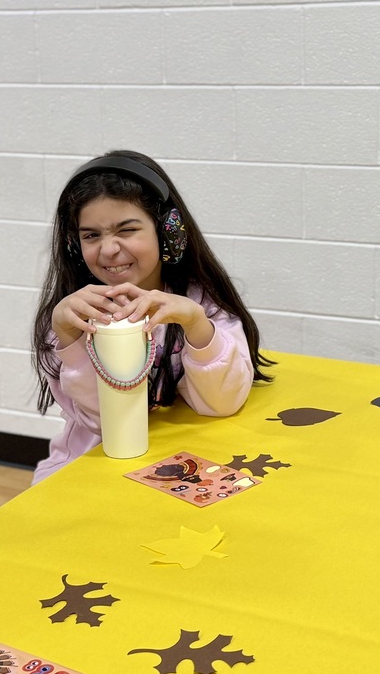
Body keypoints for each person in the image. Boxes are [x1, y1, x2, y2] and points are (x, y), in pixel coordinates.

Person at [32, 150, 273, 484]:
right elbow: (102, 424)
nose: (109, 250)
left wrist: (196, 325)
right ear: (75, 245)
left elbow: (222, 404)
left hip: (178, 464)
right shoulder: (71, 317)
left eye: (127, 230)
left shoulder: (198, 301)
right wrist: (69, 338)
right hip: (90, 465)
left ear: (168, 233)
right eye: (91, 235)